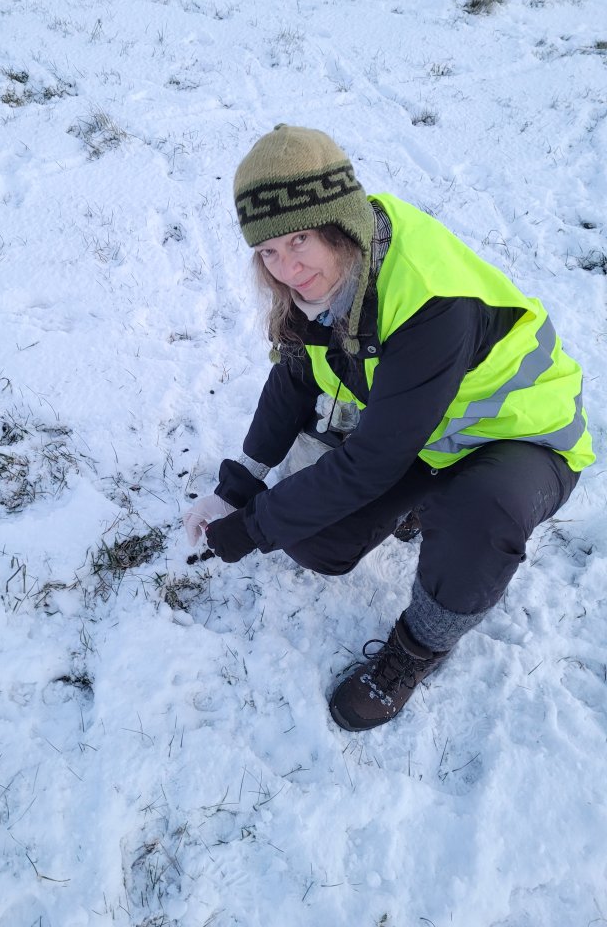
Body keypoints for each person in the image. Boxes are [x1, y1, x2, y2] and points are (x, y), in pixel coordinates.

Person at [183, 124, 595, 733]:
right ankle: (422, 504)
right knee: (318, 540)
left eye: (299, 240)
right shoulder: (330, 284)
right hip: (426, 433)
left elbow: (369, 462)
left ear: (339, 223)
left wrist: (249, 530)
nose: (288, 268)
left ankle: (420, 648)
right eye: (268, 251)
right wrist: (239, 486)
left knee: (479, 511)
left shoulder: (429, 299)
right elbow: (296, 379)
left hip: (519, 436)